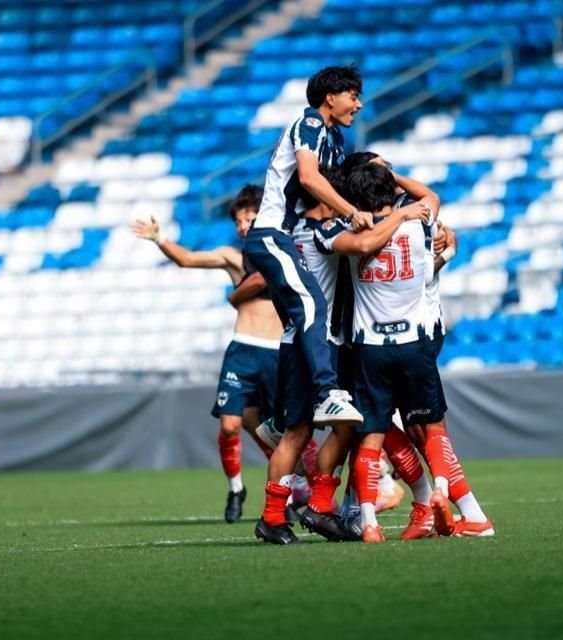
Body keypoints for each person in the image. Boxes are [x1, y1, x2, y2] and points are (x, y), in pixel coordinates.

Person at [254, 165, 431, 544]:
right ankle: (274, 517)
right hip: (314, 346)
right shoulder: (325, 229)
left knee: (344, 424)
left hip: (312, 342)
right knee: (298, 434)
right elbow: (366, 245)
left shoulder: (291, 231)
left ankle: (319, 508)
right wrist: (402, 213)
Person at [132, 185, 303, 523]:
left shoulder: (288, 255)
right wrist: (158, 239)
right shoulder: (234, 258)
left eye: (249, 218)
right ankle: (237, 487)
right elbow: (187, 259)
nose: (243, 225)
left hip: (277, 353)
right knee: (229, 425)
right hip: (242, 349)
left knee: (276, 432)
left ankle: (290, 491)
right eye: (239, 220)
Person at [344, 163, 492, 542]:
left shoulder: (352, 234)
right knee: (431, 428)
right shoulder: (418, 225)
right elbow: (431, 199)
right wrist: (394, 184)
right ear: (392, 191)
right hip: (414, 342)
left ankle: (370, 521)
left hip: (369, 348)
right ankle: (438, 494)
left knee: (372, 436)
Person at [242, 65, 369, 430]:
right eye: (353, 95)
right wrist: (352, 212)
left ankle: (278, 421)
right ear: (331, 97)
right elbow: (310, 179)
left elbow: (338, 188)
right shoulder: (310, 123)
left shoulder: (335, 140)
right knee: (313, 304)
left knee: (299, 322)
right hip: (272, 234)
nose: (358, 104)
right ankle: (327, 394)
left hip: (288, 238)